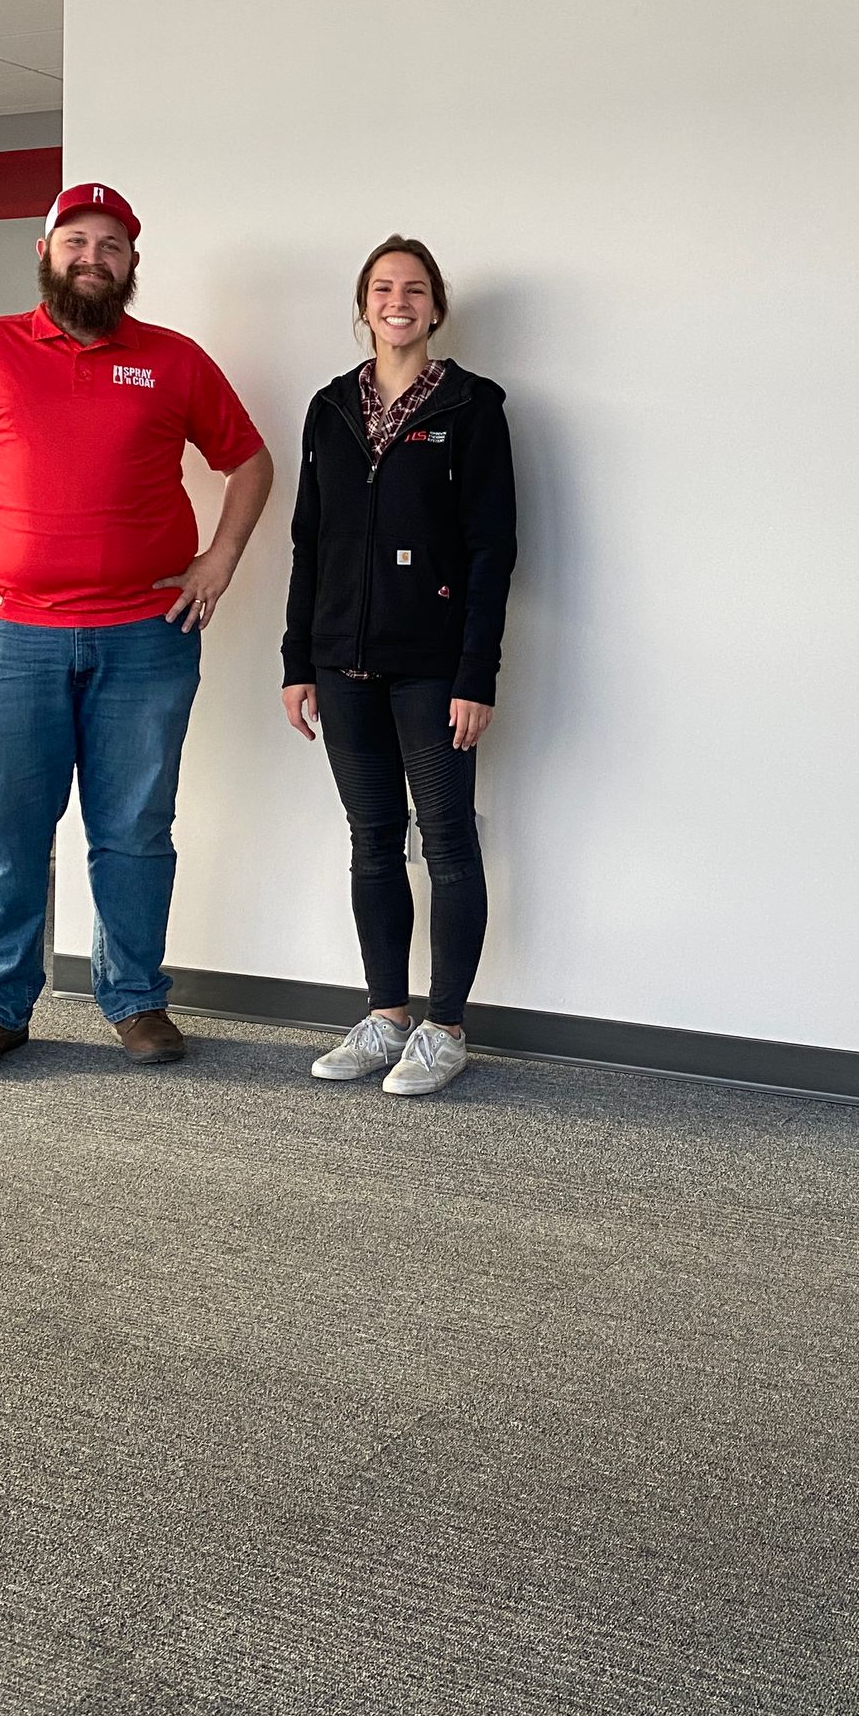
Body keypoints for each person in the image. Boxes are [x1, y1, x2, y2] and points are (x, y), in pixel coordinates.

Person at [0, 183, 272, 1077]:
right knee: (11, 829)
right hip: (11, 635)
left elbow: (247, 460)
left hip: (147, 633)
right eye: (76, 241)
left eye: (111, 244)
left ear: (133, 264)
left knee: (135, 827)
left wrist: (218, 561)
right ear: (45, 251)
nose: (92, 256)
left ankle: (136, 999)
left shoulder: (174, 360)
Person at [281, 236, 516, 1096]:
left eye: (415, 289)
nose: (399, 301)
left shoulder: (472, 406)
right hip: (341, 664)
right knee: (372, 842)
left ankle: (445, 1027)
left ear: (436, 307)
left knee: (448, 842)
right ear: (365, 304)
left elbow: (494, 551)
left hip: (433, 667)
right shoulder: (329, 407)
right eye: (383, 288)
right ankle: (386, 1017)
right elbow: (311, 541)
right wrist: (296, 658)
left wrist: (475, 676)